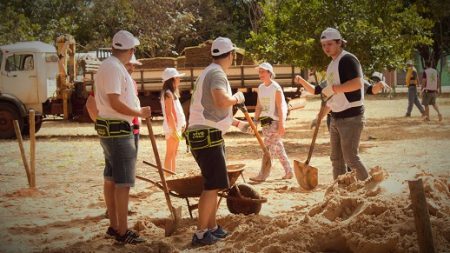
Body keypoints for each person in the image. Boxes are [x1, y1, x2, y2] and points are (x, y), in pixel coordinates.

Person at [185, 36, 251, 246]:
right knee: (212, 186)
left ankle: (211, 227)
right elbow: (221, 101)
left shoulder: (209, 71)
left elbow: (213, 112)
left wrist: (238, 124)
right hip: (207, 137)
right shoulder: (216, 73)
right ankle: (201, 233)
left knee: (213, 185)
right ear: (230, 55)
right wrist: (238, 98)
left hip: (205, 135)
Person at [94, 30, 151, 244]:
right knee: (122, 182)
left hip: (114, 128)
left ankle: (115, 226)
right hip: (118, 129)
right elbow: (115, 102)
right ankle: (121, 230)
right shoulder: (113, 68)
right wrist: (139, 113)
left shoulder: (112, 66)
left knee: (112, 178)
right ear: (130, 50)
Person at [295, 27, 369, 181]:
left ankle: (370, 189)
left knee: (351, 159)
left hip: (351, 116)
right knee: (336, 160)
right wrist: (320, 117)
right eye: (323, 45)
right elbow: (331, 98)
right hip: (335, 117)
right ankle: (340, 192)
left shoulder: (348, 59)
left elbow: (357, 83)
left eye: (329, 44)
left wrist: (334, 89)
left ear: (339, 43)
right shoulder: (331, 65)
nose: (326, 48)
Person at [86, 54, 142, 219]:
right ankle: (114, 214)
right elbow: (91, 105)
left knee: (121, 174)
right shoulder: (111, 79)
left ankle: (119, 210)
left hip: (132, 129)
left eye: (134, 65)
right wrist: (103, 124)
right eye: (130, 64)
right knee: (118, 177)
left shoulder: (131, 82)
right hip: (119, 131)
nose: (132, 68)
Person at [250, 62, 292, 182]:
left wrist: (282, 124)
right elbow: (259, 106)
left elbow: (280, 107)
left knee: (268, 148)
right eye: (259, 72)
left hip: (275, 121)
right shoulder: (261, 87)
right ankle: (289, 171)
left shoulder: (276, 88)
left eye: (263, 71)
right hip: (265, 121)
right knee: (278, 147)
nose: (260, 74)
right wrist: (255, 121)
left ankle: (263, 174)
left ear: (269, 73)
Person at [160, 68, 186, 175]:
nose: (179, 79)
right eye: (178, 77)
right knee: (170, 153)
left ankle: (172, 175)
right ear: (173, 79)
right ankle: (168, 177)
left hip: (176, 127)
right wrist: (174, 130)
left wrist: (182, 124)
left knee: (174, 153)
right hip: (172, 128)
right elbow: (169, 113)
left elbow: (177, 111)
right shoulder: (168, 94)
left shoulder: (172, 93)